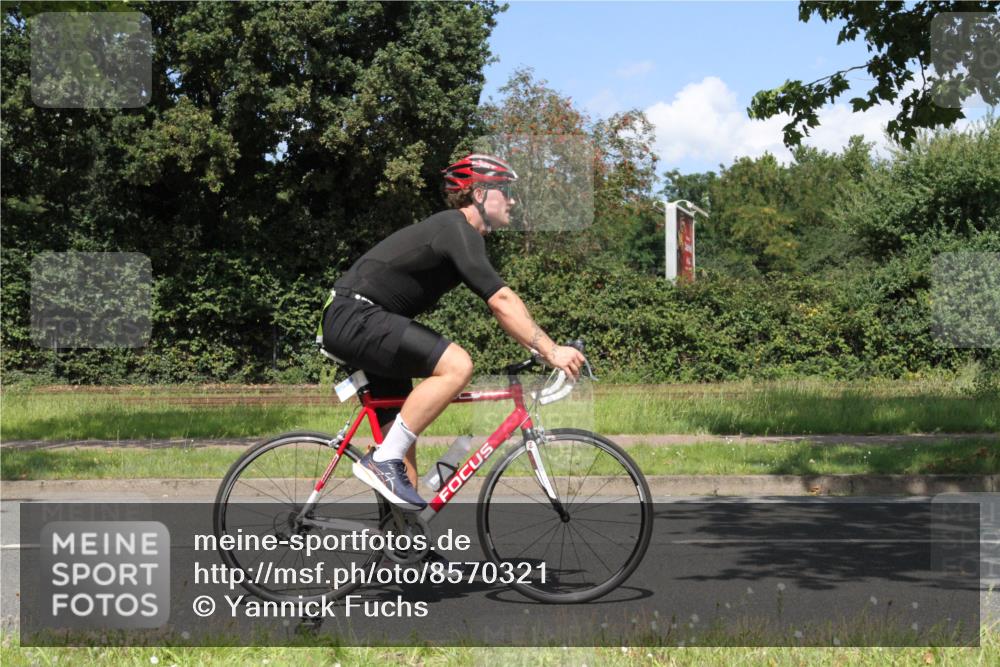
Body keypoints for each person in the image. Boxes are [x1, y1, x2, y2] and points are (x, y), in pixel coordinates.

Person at [320, 153, 586, 511]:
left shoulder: (461, 235)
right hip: (355, 315)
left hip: (363, 320)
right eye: (504, 191)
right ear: (478, 194)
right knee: (457, 365)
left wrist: (540, 347)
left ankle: (404, 555)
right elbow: (501, 301)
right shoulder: (455, 228)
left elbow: (506, 303)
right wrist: (551, 350)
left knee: (401, 457)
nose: (512, 200)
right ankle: (382, 462)